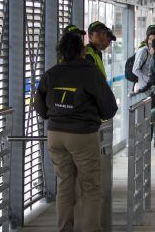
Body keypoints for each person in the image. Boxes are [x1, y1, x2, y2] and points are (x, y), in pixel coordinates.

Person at [34, 26, 118, 232]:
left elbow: (39, 104)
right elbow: (109, 107)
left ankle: (65, 229)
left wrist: (53, 115)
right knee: (90, 187)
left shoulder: (51, 73)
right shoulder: (91, 73)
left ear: (62, 53)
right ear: (82, 51)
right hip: (82, 135)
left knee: (64, 184)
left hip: (55, 134)